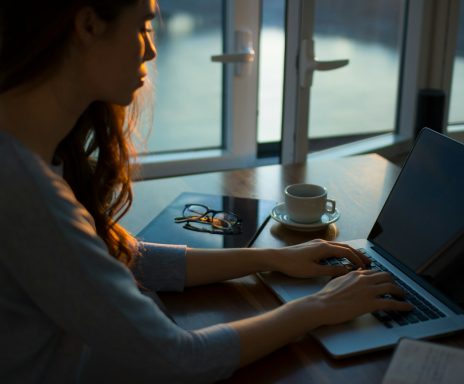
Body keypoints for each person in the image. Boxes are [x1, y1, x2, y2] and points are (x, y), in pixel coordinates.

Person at [0, 1, 412, 383]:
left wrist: (273, 258)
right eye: (144, 26)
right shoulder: (26, 190)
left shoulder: (22, 156)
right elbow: (179, 358)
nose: (151, 50)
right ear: (89, 25)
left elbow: (112, 260)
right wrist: (318, 307)